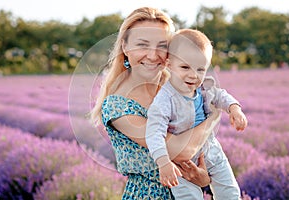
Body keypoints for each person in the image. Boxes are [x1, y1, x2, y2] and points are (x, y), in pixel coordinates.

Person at [90, 7, 220, 199]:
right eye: (142, 45)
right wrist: (214, 116)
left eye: (162, 46)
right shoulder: (117, 105)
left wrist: (205, 178)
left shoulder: (176, 90)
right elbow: (181, 151)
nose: (152, 55)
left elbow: (202, 148)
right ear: (125, 47)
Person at [145, 28, 248, 200]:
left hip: (212, 151)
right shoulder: (165, 99)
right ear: (169, 65)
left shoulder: (203, 88)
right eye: (185, 67)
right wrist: (163, 163)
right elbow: (154, 133)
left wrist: (234, 108)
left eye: (201, 69)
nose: (193, 75)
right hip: (182, 163)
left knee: (230, 194)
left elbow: (221, 95)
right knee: (189, 197)